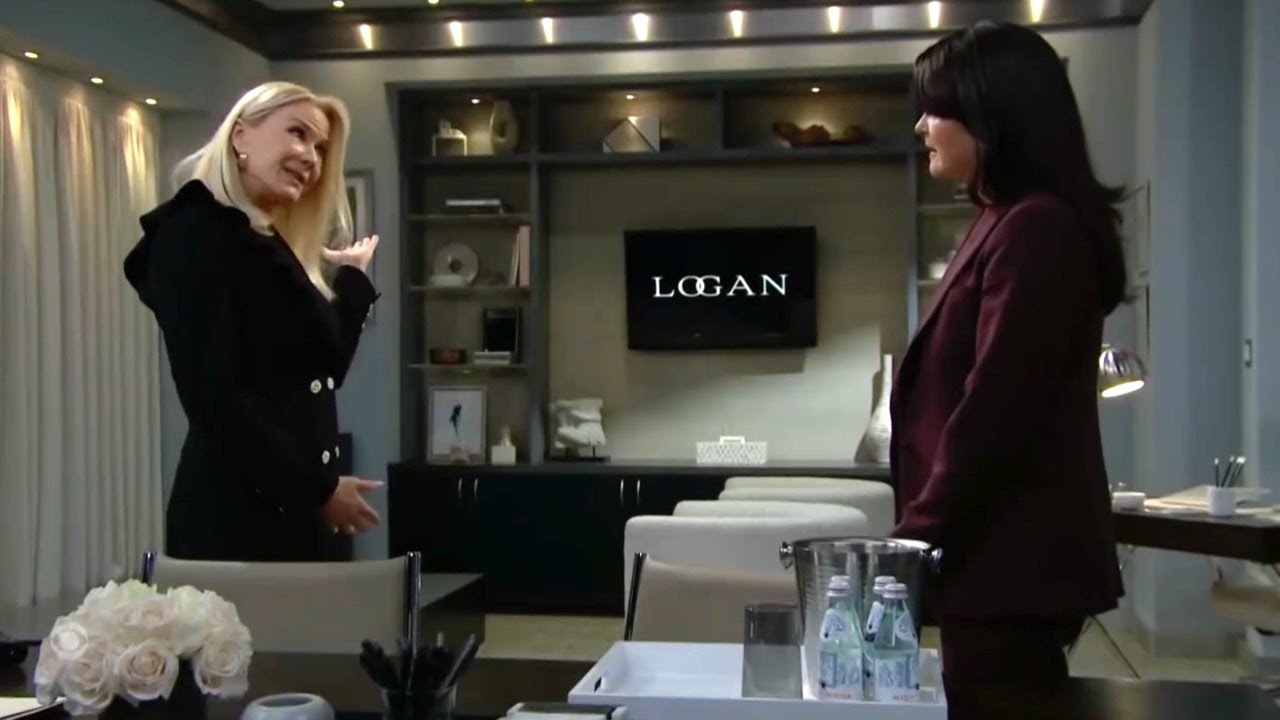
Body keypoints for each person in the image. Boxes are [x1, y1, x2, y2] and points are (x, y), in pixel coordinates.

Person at [888, 21, 1126, 708]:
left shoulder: (1035, 227)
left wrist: (912, 540)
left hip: (1011, 560)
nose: (921, 127)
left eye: (936, 109)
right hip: (989, 560)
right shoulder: (1006, 217)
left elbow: (996, 411)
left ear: (990, 114)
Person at [124, 81, 384, 562]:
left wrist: (351, 280)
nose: (311, 158)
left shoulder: (262, 238)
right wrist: (318, 489)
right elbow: (214, 397)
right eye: (298, 133)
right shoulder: (195, 232)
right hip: (238, 517)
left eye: (320, 148)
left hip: (293, 505)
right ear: (240, 136)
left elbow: (327, 365)